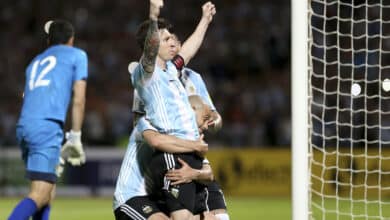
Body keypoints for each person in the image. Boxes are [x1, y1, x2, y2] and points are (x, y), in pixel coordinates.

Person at [131, 0, 215, 219]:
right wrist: (152, 16)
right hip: (174, 154)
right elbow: (149, 52)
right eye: (166, 38)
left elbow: (188, 49)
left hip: (190, 152)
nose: (172, 43)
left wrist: (205, 19)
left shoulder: (171, 70)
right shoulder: (146, 74)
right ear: (153, 43)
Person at [8, 20, 87, 220]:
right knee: (40, 193)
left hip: (25, 125)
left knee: (47, 190)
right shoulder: (77, 55)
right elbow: (79, 98)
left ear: (49, 40)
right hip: (46, 127)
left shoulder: (35, 61)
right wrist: (76, 135)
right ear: (71, 39)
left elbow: (27, 95)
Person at [113, 95, 213, 220]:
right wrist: (196, 146)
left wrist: (194, 173)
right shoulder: (148, 121)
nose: (205, 126)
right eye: (204, 119)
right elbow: (156, 141)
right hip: (131, 197)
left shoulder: (187, 139)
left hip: (156, 200)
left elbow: (209, 174)